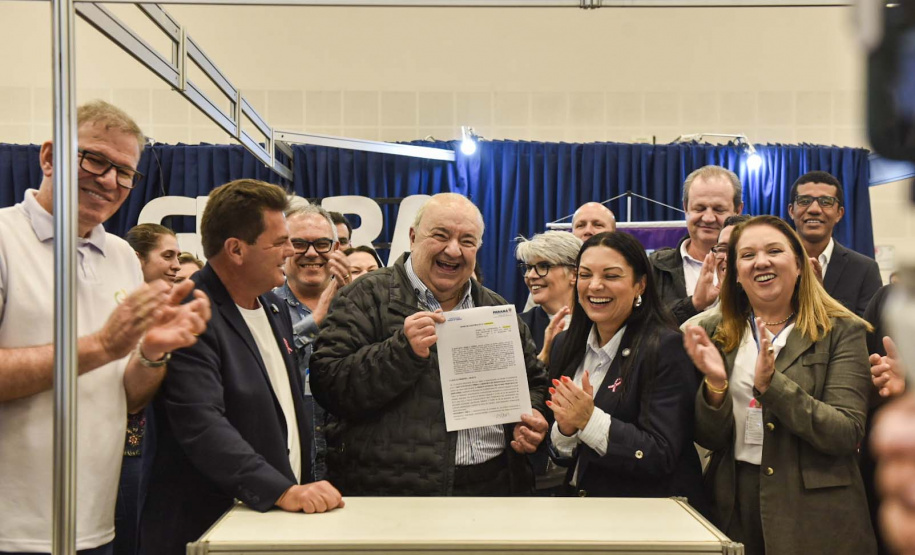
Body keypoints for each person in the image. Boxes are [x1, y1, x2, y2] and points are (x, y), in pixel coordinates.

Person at [0, 100, 209, 553]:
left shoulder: (120, 257)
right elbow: (101, 352)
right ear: (50, 156)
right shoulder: (3, 240)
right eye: (95, 159)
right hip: (12, 529)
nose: (110, 180)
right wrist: (100, 346)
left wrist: (154, 352)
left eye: (125, 171)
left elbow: (130, 397)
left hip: (95, 524)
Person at [140, 180, 343, 555]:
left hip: (268, 521)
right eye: (280, 242)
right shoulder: (190, 312)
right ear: (236, 249)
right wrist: (281, 490)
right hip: (209, 527)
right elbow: (201, 425)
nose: (289, 252)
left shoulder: (273, 308)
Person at [310, 192, 549, 496]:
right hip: (398, 493)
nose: (453, 250)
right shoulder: (364, 295)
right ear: (412, 237)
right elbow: (328, 385)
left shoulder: (495, 308)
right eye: (441, 235)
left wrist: (534, 418)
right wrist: (401, 352)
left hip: (496, 486)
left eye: (467, 241)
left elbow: (535, 382)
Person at [683, 215, 876, 555]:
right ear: (737, 274)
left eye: (774, 250)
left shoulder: (842, 330)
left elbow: (845, 432)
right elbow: (708, 438)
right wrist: (715, 386)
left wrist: (774, 386)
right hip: (734, 504)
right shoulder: (713, 330)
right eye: (747, 255)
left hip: (817, 514)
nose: (761, 262)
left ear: (800, 264)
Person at [546, 232, 705, 509]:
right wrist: (566, 429)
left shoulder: (667, 347)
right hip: (583, 510)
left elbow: (661, 453)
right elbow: (565, 452)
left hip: (649, 516)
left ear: (640, 284)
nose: (595, 286)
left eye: (611, 276)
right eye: (585, 275)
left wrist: (588, 419)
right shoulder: (565, 344)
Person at [273, 200, 350, 482]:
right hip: (287, 464)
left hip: (349, 466)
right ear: (283, 247)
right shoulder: (263, 304)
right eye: (299, 244)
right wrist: (315, 321)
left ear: (336, 249)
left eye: (321, 244)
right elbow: (266, 364)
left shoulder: (359, 303)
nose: (311, 253)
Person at [651, 165, 743, 325]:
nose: (708, 218)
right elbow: (642, 328)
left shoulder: (753, 265)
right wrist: (694, 304)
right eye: (699, 208)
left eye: (719, 209)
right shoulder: (655, 267)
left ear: (738, 210)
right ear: (685, 207)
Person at [787, 170, 881, 316]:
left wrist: (819, 298)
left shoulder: (864, 270)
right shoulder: (773, 263)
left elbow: (865, 331)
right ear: (791, 211)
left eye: (826, 202)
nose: (814, 209)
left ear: (839, 213)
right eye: (804, 201)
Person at [515, 230, 581, 363]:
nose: (531, 275)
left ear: (574, 274)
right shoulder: (517, 328)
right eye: (528, 267)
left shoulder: (600, 323)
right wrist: (544, 357)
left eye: (543, 266)